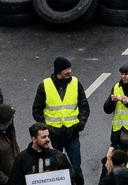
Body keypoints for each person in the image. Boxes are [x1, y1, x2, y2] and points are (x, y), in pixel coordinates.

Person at [31, 56, 88, 185]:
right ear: (58, 71)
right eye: (66, 69)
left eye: (69, 68)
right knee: (54, 170)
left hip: (72, 135)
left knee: (76, 169)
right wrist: (47, 129)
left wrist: (80, 125)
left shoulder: (76, 83)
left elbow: (84, 107)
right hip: (53, 136)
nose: (69, 71)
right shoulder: (45, 85)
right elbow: (36, 110)